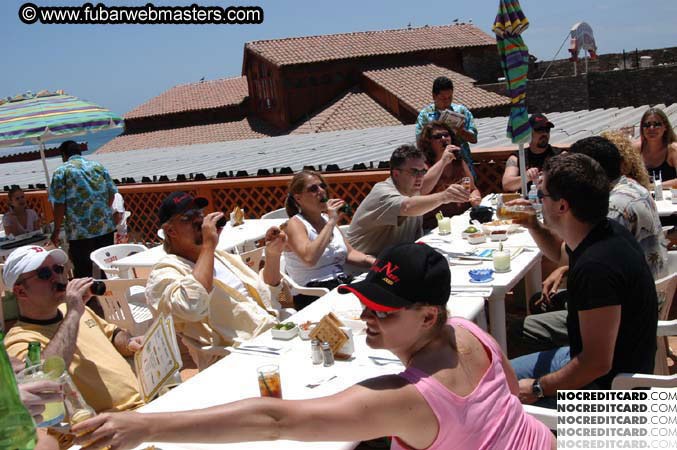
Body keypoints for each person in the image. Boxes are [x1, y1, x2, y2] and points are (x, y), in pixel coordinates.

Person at [73, 243, 555, 450]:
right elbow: (511, 395)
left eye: (381, 312)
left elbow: (275, 419)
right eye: (366, 302)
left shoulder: (409, 397)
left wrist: (141, 425)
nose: (365, 317)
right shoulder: (474, 334)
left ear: (428, 316)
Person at [510, 153, 658, 408]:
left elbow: (596, 363)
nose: (537, 202)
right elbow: (559, 253)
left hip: (615, 398)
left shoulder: (596, 268)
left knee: (501, 405)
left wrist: (537, 388)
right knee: (501, 379)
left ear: (562, 206)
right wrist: (533, 225)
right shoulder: (603, 232)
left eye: (540, 196)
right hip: (600, 366)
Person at [517, 136, 667, 351]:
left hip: (627, 314)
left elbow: (570, 257)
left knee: (519, 327)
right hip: (643, 294)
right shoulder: (630, 187)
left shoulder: (613, 208)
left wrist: (539, 386)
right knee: (540, 301)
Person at [145, 192, 290, 370]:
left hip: (273, 333)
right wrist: (208, 246)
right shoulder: (165, 272)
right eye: (188, 218)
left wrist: (273, 255)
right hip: (239, 356)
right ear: (170, 231)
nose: (198, 221)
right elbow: (192, 307)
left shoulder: (220, 257)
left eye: (199, 214)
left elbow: (276, 299)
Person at [2, 245, 144, 413]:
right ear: (21, 292)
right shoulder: (19, 339)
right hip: (112, 423)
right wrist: (74, 312)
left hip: (144, 399)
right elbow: (46, 379)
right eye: (44, 274)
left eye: (58, 269)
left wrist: (128, 343)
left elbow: (112, 334)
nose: (57, 277)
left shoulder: (72, 311)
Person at [346, 145, 469, 256]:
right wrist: (444, 196)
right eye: (415, 171)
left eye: (423, 171)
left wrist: (443, 161)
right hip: (364, 269)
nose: (420, 177)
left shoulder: (410, 187)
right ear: (396, 174)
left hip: (396, 262)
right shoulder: (383, 193)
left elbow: (425, 183)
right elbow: (407, 207)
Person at [283, 171, 375, 310]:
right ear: (298, 198)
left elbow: (349, 253)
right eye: (313, 189)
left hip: (340, 283)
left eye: (322, 187)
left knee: (388, 285)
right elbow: (309, 258)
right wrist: (332, 221)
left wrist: (375, 262)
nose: (321, 191)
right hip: (313, 293)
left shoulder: (326, 220)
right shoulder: (294, 224)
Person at [48, 141, 118, 278]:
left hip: (79, 232)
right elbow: (112, 193)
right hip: (105, 227)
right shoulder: (98, 167)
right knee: (105, 267)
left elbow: (59, 204)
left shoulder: (61, 172)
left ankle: (88, 299)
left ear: (64, 155)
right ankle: (107, 297)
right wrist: (102, 211)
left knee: (83, 270)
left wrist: (56, 231)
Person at [417, 121, 482, 230]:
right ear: (428, 142)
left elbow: (472, 189)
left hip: (463, 220)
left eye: (446, 135)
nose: (443, 139)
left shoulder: (459, 162)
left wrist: (476, 200)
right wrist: (443, 161)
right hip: (435, 225)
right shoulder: (423, 165)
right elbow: (421, 190)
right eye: (437, 136)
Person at [415, 76, 478, 179]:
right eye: (443, 98)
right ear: (434, 96)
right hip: (436, 169)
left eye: (450, 98)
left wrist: (461, 131)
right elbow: (420, 142)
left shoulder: (462, 111)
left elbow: (474, 139)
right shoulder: (425, 115)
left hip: (462, 166)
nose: (447, 102)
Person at [502, 114, 563, 192]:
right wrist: (526, 177)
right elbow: (507, 185)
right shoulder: (517, 157)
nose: (544, 133)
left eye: (547, 129)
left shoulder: (560, 155)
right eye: (539, 130)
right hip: (526, 202)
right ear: (528, 133)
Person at [634, 107, 677, 188]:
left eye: (657, 124)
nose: (651, 128)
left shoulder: (673, 149)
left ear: (665, 127)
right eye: (647, 125)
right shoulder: (635, 149)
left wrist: (653, 186)